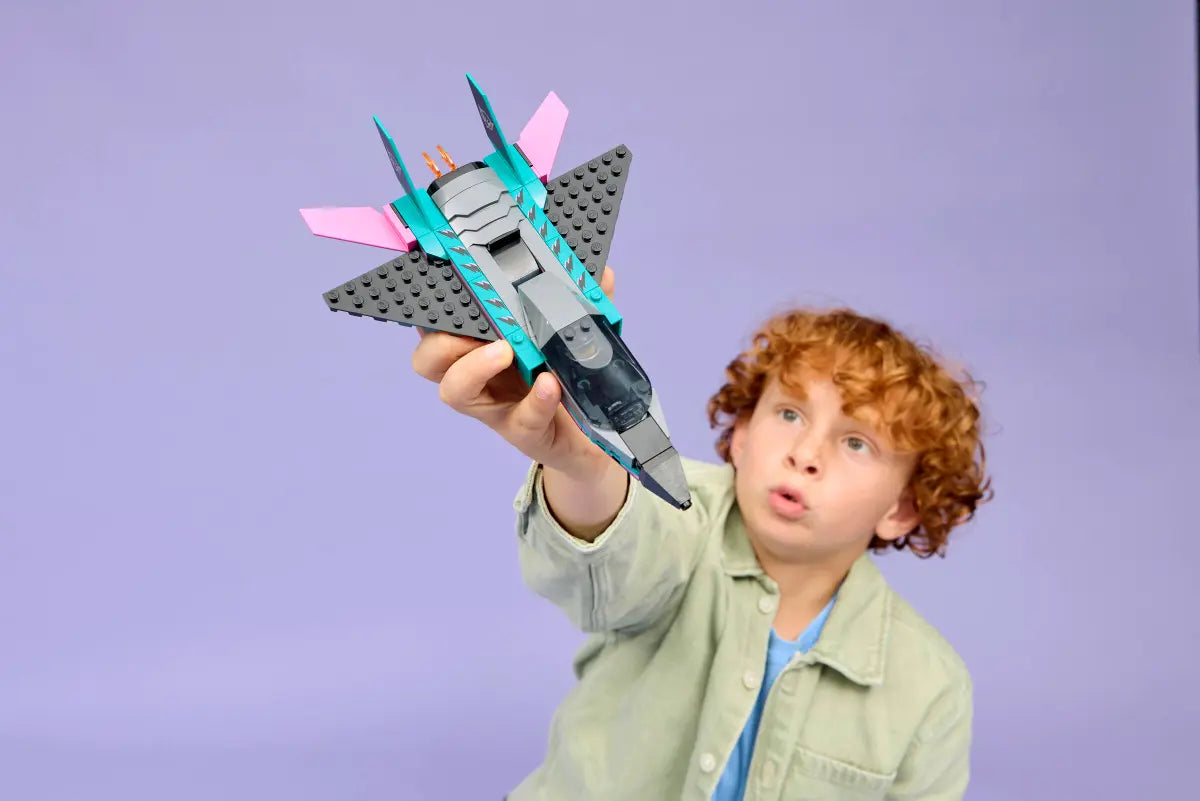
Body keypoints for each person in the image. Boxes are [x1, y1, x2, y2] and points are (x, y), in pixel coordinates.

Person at [410, 265, 992, 801]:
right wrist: (584, 468)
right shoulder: (680, 514)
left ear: (903, 509)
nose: (805, 454)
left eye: (857, 443)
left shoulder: (930, 686)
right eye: (789, 414)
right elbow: (617, 548)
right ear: (742, 434)